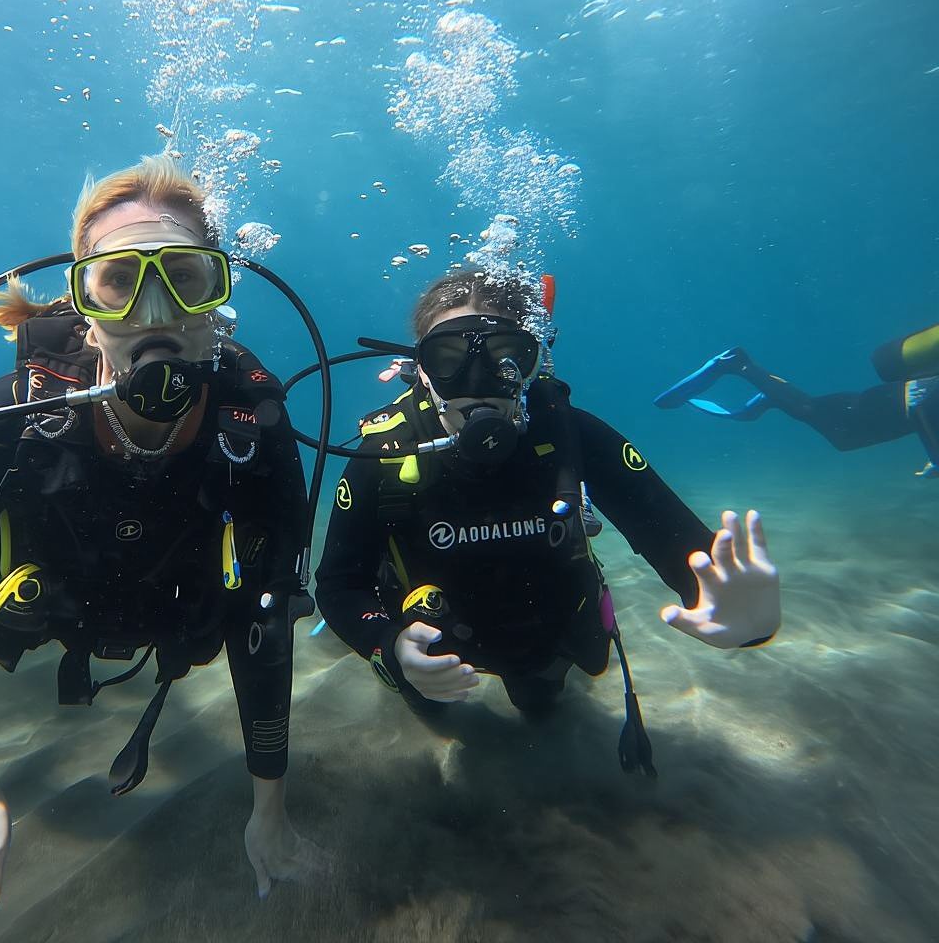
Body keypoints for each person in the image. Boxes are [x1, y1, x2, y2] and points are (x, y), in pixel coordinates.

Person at [0, 158, 318, 942]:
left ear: (219, 299)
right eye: (119, 281)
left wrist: (269, 806)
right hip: (42, 600)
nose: (157, 310)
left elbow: (268, 618)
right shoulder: (11, 413)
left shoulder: (255, 426)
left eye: (186, 277)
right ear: (84, 304)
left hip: (163, 606)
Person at [315, 270, 780, 773]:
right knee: (436, 708)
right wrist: (388, 644)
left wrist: (747, 621)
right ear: (421, 369)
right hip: (433, 636)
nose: (479, 385)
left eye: (504, 359)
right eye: (450, 360)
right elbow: (340, 584)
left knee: (542, 709)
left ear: (533, 363)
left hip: (540, 637)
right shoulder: (385, 453)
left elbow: (683, 549)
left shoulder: (569, 435)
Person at [654, 325, 939, 479]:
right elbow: (926, 406)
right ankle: (738, 365)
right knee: (814, 414)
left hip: (876, 407)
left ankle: (765, 393)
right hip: (871, 408)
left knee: (824, 422)